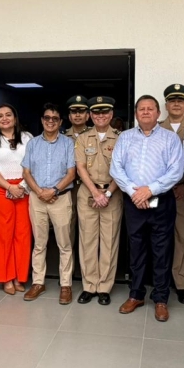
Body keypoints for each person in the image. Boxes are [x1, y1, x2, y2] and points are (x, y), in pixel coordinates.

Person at [111, 95, 184, 322]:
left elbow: (176, 171)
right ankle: (136, 294)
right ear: (136, 114)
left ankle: (161, 298)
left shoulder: (171, 139)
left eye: (150, 109)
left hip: (161, 202)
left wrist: (149, 190)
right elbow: (116, 168)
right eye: (141, 109)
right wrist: (135, 193)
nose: (145, 112)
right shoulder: (124, 137)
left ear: (157, 113)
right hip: (134, 202)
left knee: (161, 251)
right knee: (136, 249)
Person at [21, 103, 77, 304]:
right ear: (42, 120)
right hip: (37, 199)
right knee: (39, 243)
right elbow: (26, 172)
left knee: (64, 244)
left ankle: (65, 285)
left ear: (60, 122)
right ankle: (38, 282)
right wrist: (39, 192)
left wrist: (54, 190)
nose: (50, 121)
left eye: (55, 118)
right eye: (47, 118)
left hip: (60, 198)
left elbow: (72, 173)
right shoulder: (33, 143)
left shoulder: (68, 144)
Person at [74, 96, 122, 305]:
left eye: (105, 112)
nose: (100, 116)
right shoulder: (83, 138)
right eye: (96, 113)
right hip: (88, 194)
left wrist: (107, 193)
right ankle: (89, 285)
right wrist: (95, 193)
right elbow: (81, 168)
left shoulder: (121, 138)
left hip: (113, 192)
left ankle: (104, 287)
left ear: (111, 115)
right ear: (91, 115)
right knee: (87, 242)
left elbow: (122, 170)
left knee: (110, 242)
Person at [0, 104, 33, 295]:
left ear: (15, 118)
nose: (4, 118)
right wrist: (10, 187)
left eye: (8, 115)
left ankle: (20, 276)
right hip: (0, 190)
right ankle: (6, 278)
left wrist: (22, 186)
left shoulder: (27, 138)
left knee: (22, 234)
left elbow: (33, 164)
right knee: (3, 236)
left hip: (24, 189)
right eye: (0, 116)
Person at [159, 83, 184, 304]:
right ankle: (159, 279)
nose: (176, 104)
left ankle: (181, 284)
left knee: (183, 237)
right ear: (166, 105)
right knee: (159, 237)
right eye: (172, 101)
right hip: (160, 191)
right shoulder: (155, 128)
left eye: (180, 101)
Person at [65, 95, 89, 250]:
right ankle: (70, 269)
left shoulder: (95, 135)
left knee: (88, 229)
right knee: (68, 228)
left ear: (88, 115)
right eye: (74, 111)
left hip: (87, 187)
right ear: (69, 116)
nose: (78, 115)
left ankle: (86, 269)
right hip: (68, 188)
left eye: (81, 111)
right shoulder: (61, 136)